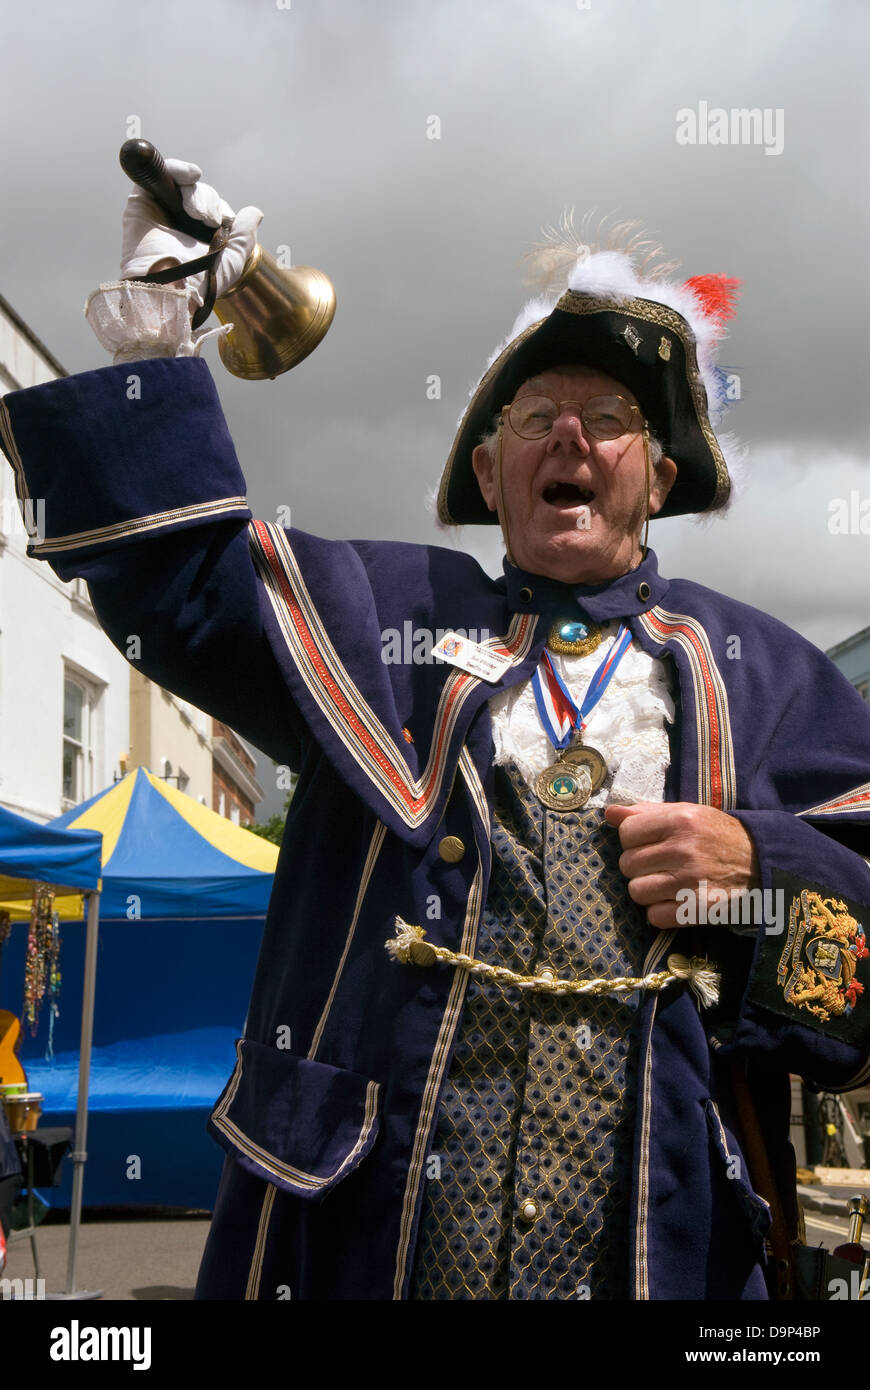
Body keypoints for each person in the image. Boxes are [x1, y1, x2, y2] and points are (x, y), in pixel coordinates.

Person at [1, 167, 869, 1301]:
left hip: (665, 1256)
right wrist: (160, 345)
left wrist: (760, 868)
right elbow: (179, 585)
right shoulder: (381, 610)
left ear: (657, 478)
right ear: (486, 473)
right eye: (534, 417)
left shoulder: (769, 675)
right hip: (363, 1238)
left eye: (610, 419)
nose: (573, 435)